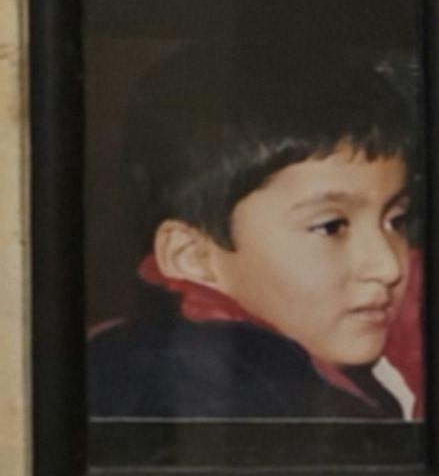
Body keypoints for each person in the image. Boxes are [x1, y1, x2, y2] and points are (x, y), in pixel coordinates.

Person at [85, 43, 416, 421]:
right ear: (192, 257)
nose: (388, 266)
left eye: (395, 220)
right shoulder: (223, 399)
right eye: (331, 226)